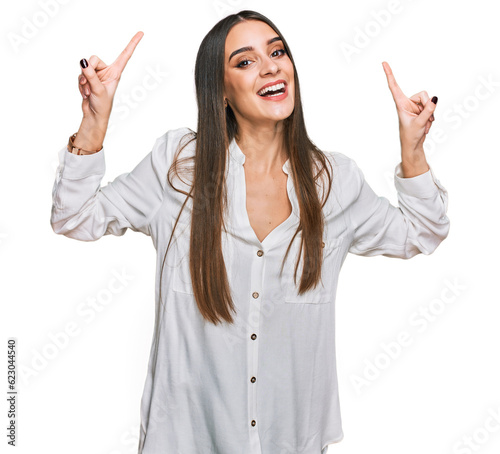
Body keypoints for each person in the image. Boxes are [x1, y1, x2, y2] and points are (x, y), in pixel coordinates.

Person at [50, 10, 450, 454]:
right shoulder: (177, 165)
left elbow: (423, 231)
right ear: (219, 89)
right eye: (245, 61)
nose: (271, 65)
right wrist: (94, 123)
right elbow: (74, 216)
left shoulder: (334, 181)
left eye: (277, 52)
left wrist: (412, 149)